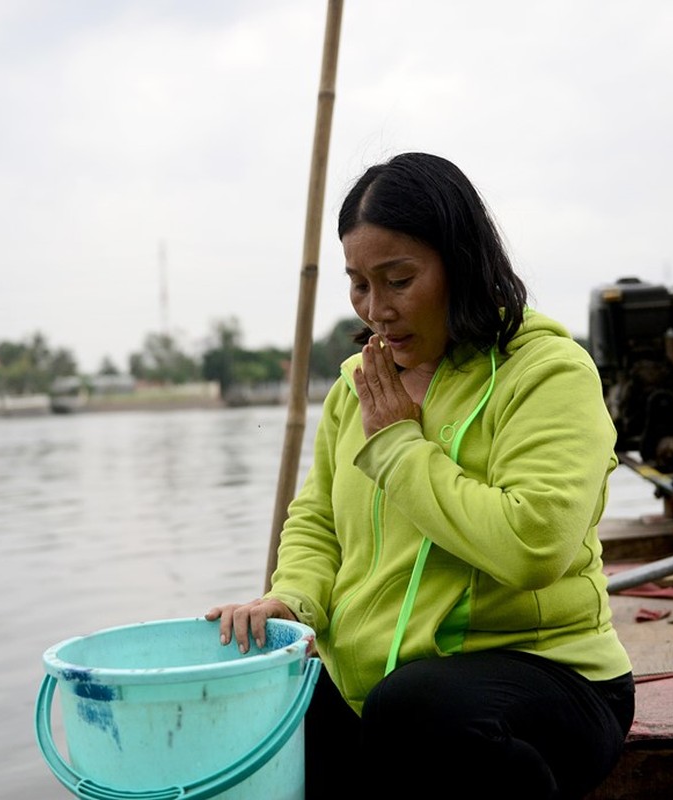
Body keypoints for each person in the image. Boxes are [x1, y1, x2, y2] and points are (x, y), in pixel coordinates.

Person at [206, 152, 634, 798]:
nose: (375, 309)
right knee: (266, 708)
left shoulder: (548, 373)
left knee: (411, 708)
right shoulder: (358, 385)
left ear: (459, 265)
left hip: (552, 677)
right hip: (386, 681)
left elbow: (534, 543)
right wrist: (292, 598)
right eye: (358, 284)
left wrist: (401, 450)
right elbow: (319, 518)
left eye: (398, 280)